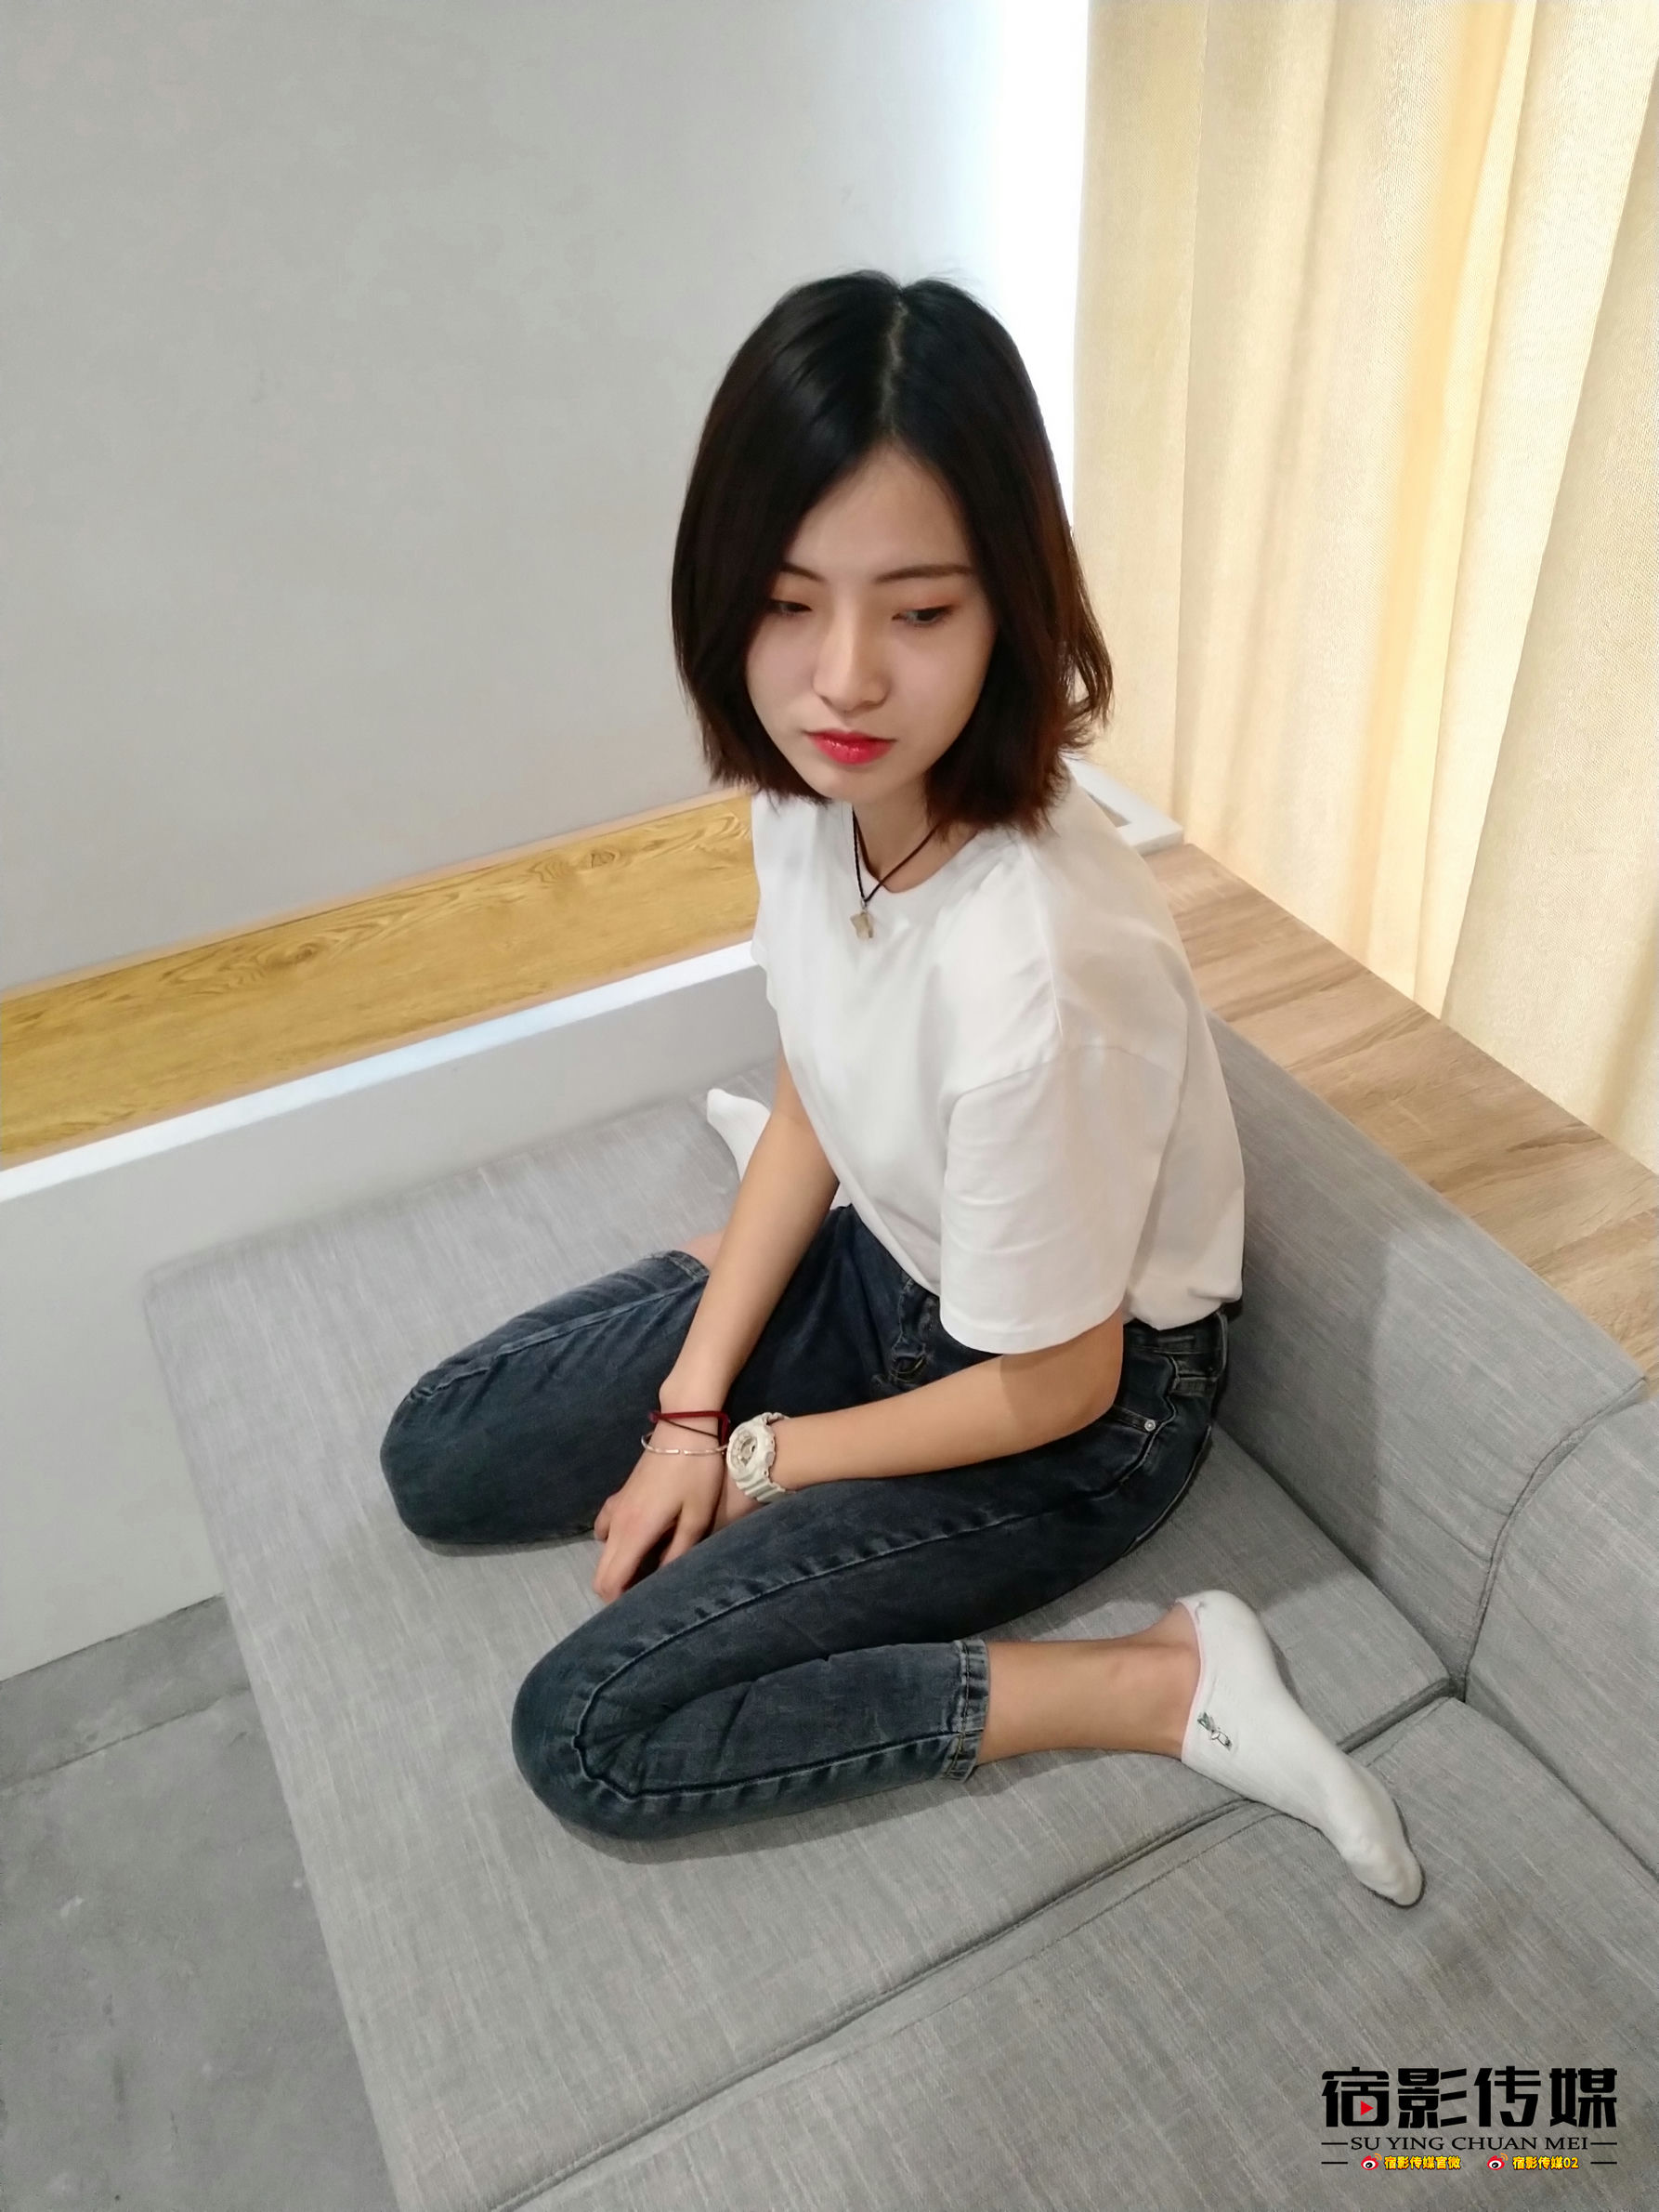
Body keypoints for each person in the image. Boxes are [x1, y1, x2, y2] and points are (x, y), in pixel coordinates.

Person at [378, 271, 1423, 1906]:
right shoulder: (815, 795)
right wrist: (687, 1403)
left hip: (1077, 1403)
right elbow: (816, 1072)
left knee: (591, 1731)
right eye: (787, 603)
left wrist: (759, 1459)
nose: (843, 679)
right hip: (895, 1257)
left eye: (917, 613)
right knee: (438, 1454)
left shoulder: (1042, 964)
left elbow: (1057, 1382)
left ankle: (1161, 1680)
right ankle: (782, 1300)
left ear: (1007, 606)